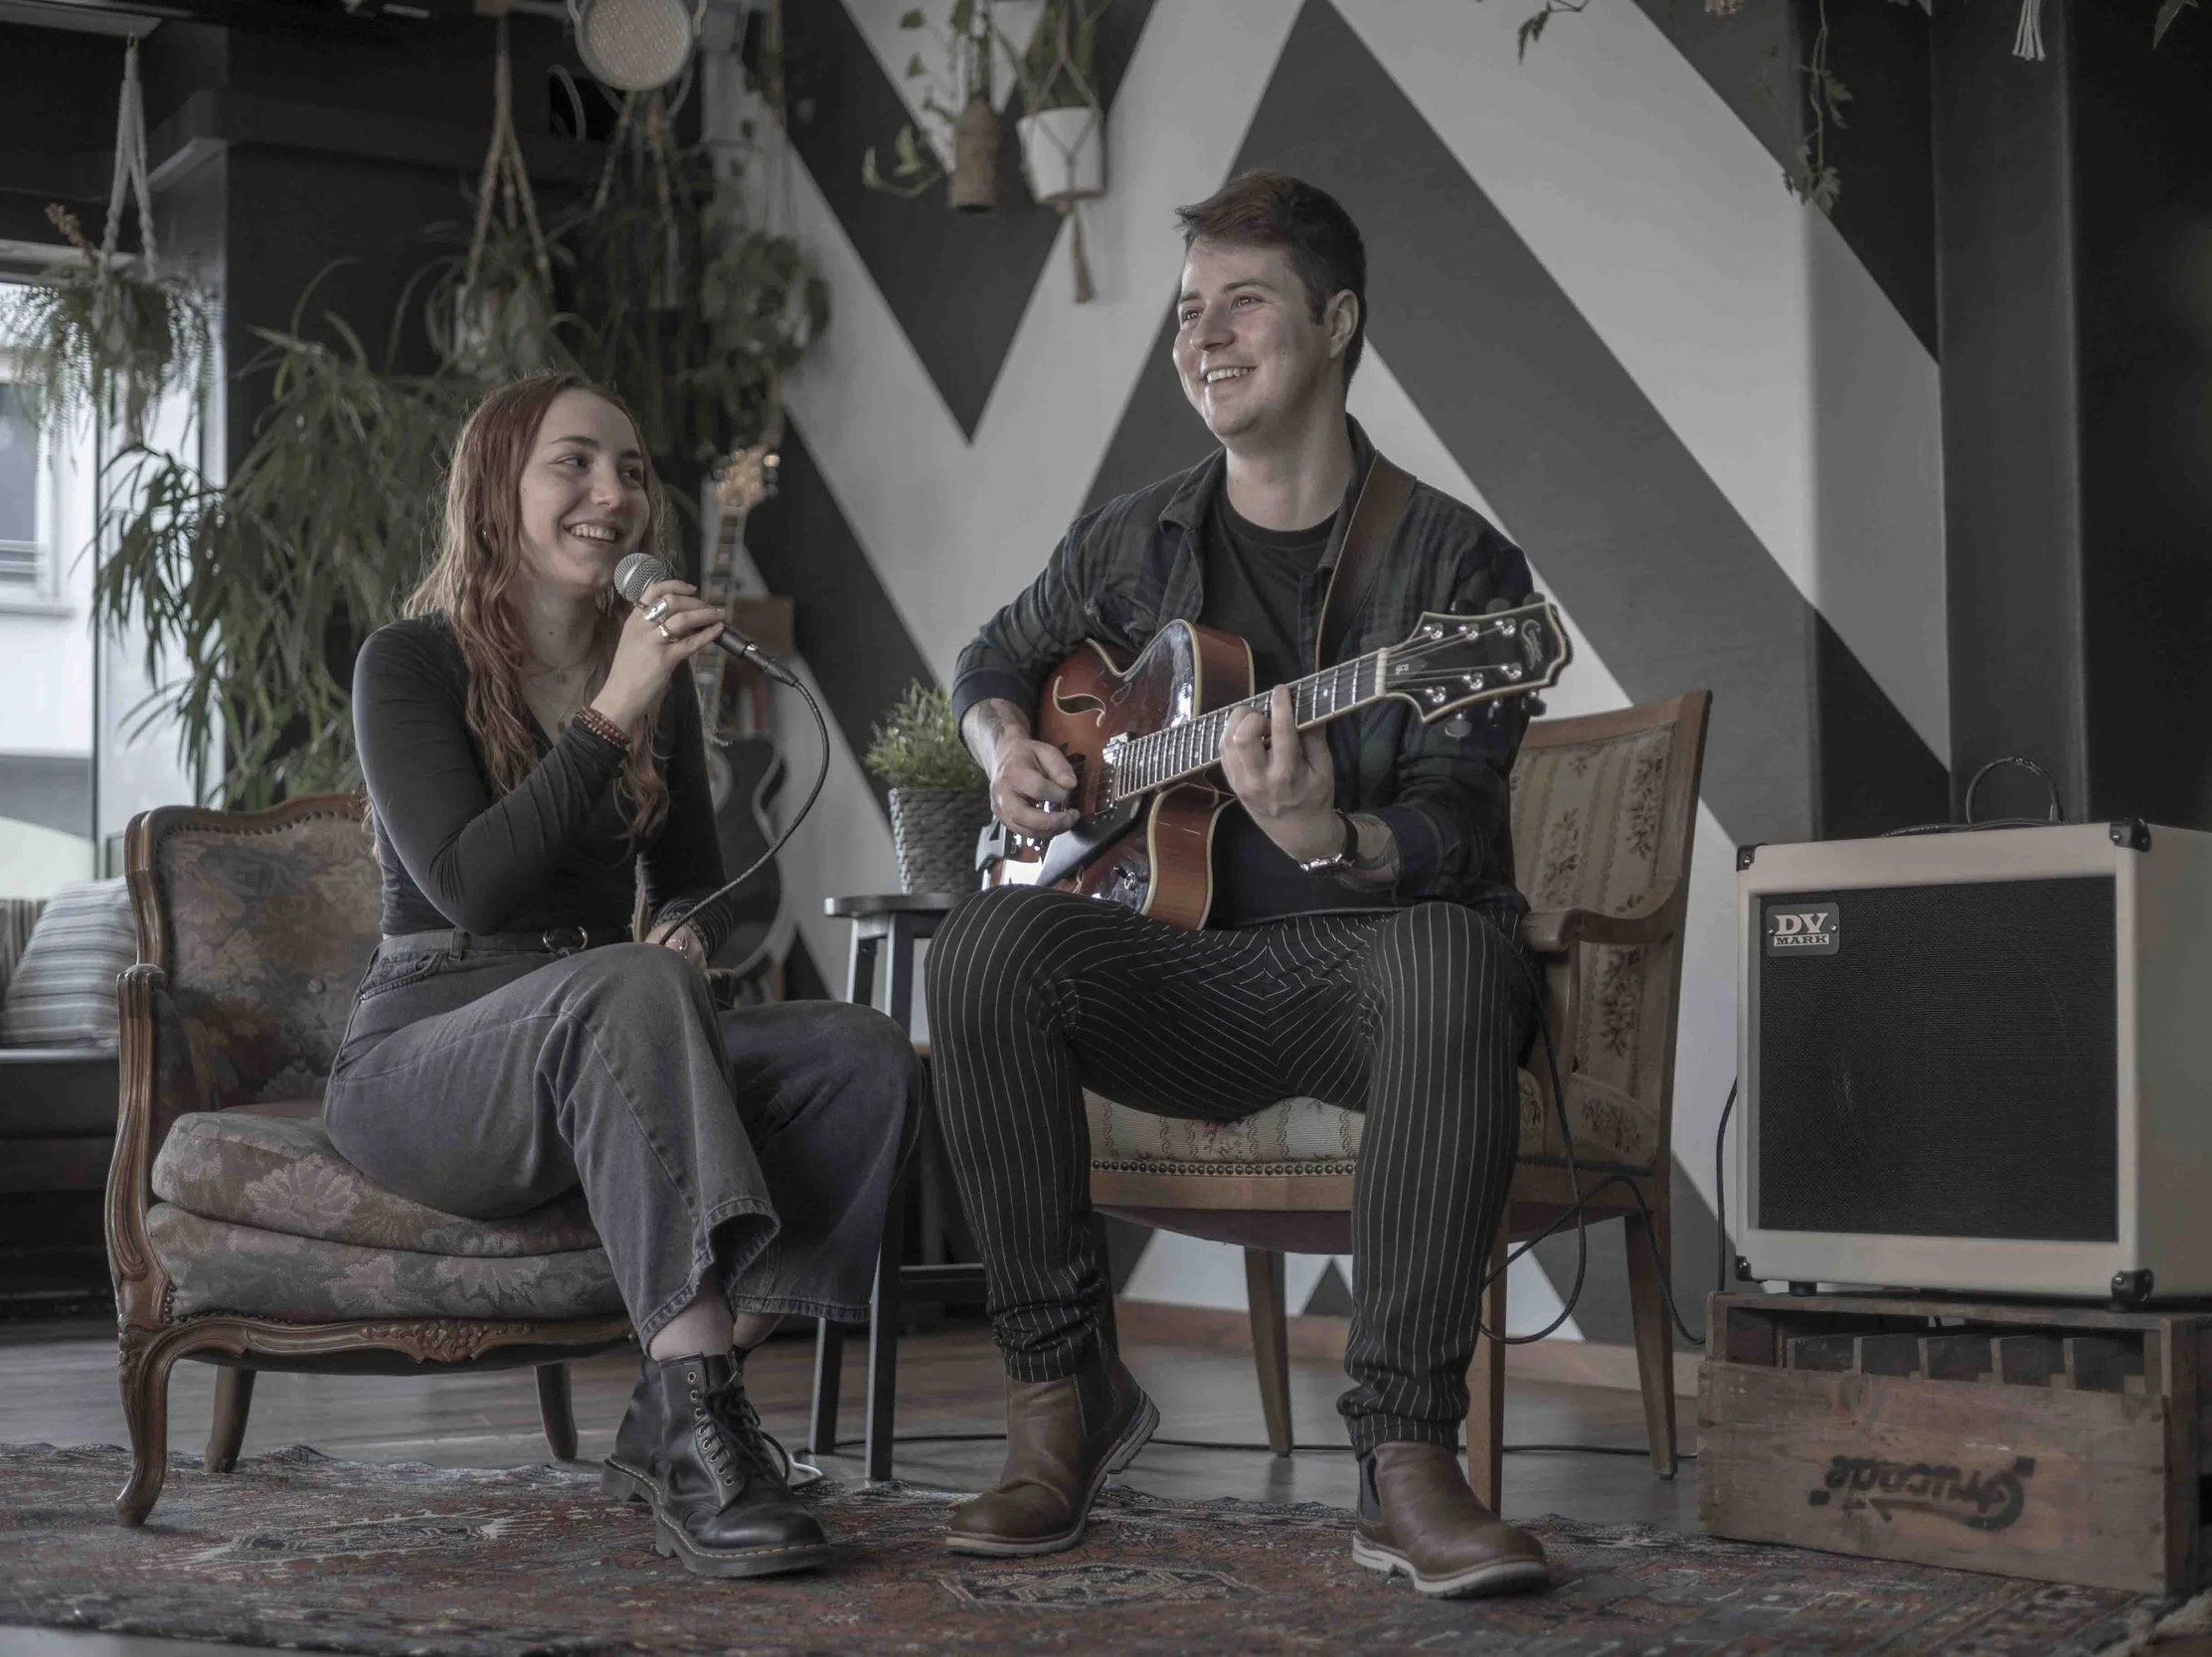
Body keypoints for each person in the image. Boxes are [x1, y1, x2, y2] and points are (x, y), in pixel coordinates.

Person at [926, 171, 1550, 1599]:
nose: (1203, 335)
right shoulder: (1133, 539)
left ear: (1335, 323)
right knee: (979, 948)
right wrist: (1006, 742)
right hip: (1166, 966)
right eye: (1187, 311)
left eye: (1242, 303)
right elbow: (990, 659)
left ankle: (1404, 1458)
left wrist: (1336, 832)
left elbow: (1459, 823)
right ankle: (1061, 1401)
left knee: (1461, 954)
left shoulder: (1458, 568)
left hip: (1361, 975)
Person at [326, 373, 912, 1579]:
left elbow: (698, 883)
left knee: (860, 1052)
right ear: (497, 492)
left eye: (633, 470)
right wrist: (612, 711)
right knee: (623, 988)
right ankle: (705, 1446)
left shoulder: (652, 682)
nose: (615, 493)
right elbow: (471, 888)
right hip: (425, 1056)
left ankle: (682, 1399)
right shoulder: (410, 664)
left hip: (601, 1025)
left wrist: (689, 931)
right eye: (575, 463)